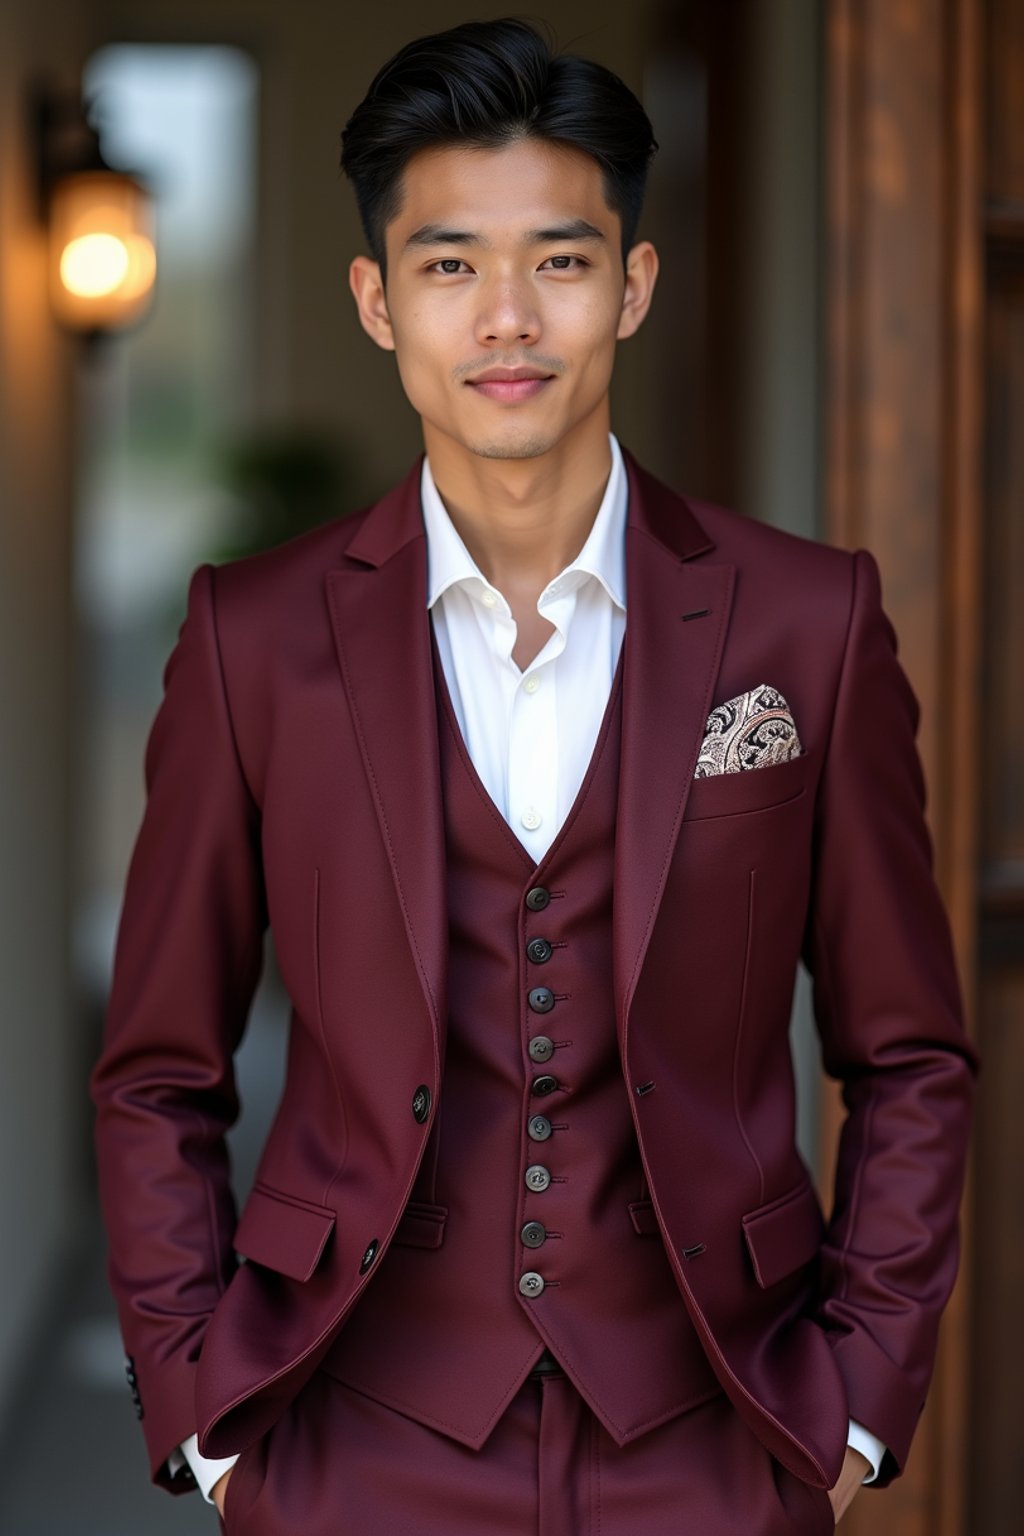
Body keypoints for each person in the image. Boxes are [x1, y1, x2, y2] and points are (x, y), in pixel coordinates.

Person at [90, 18, 978, 1534]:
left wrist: (861, 1409)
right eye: (449, 266)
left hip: (716, 1430)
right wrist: (205, 1419)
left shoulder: (805, 621)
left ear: (632, 282)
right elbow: (159, 1067)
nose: (508, 317)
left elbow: (910, 1059)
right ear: (378, 301)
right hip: (351, 1430)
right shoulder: (254, 639)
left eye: (560, 261)